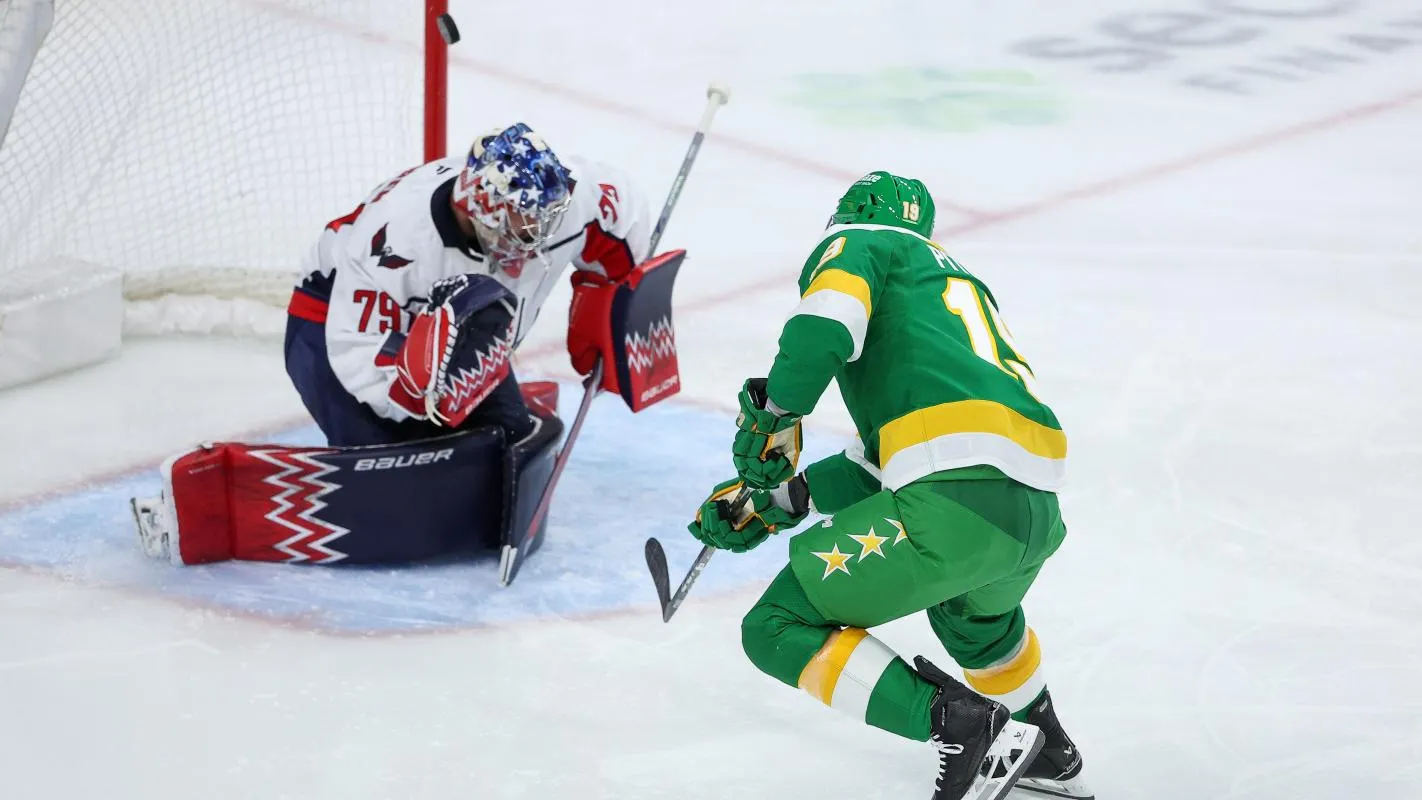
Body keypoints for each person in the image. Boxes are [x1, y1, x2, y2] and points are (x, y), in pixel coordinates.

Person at [687, 172, 1092, 800]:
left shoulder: (864, 244)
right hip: (1030, 513)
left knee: (774, 624)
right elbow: (881, 461)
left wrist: (776, 418)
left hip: (954, 501)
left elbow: (823, 329)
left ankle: (962, 725)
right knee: (974, 625)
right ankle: (1046, 744)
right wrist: (779, 502)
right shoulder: (950, 285)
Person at [284, 122, 650, 447]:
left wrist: (612, 297)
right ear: (484, 209)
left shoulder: (549, 200)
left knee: (506, 444)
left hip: (455, 321)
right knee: (387, 467)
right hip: (333, 318)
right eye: (523, 224)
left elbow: (622, 208)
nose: (537, 237)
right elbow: (357, 350)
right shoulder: (395, 245)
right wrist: (418, 395)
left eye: (543, 221)